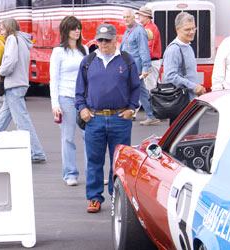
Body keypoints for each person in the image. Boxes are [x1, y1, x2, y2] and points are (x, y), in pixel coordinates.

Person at [75, 23, 140, 213]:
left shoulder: (127, 61)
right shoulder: (88, 62)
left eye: (107, 40)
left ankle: (116, 196)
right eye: (100, 40)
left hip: (120, 119)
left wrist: (131, 109)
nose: (103, 43)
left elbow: (136, 88)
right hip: (94, 119)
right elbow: (79, 91)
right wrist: (82, 109)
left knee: (118, 162)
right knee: (94, 160)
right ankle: (95, 198)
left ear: (115, 40)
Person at [0, 18, 46, 163]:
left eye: (2, 29)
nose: (0, 33)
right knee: (2, 119)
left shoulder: (11, 39)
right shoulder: (22, 41)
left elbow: (10, 61)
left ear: (8, 28)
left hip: (14, 85)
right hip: (19, 84)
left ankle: (37, 152)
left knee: (22, 121)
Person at [49, 16, 87, 186]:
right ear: (66, 31)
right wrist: (54, 104)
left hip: (84, 98)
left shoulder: (84, 49)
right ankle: (70, 174)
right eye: (73, 28)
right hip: (65, 97)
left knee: (90, 136)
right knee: (68, 137)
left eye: (78, 28)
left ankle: (92, 173)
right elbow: (54, 79)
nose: (77, 31)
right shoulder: (58, 52)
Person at [163, 12, 206, 125]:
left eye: (193, 28)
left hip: (190, 103)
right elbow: (170, 76)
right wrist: (194, 86)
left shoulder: (187, 46)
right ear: (178, 29)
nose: (191, 32)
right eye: (187, 29)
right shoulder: (174, 49)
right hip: (181, 106)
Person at [120, 9, 156, 126]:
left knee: (131, 90)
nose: (125, 19)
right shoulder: (128, 31)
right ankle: (151, 115)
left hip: (136, 68)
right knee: (141, 92)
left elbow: (143, 50)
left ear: (133, 17)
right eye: (124, 17)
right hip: (128, 67)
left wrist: (146, 67)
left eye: (127, 17)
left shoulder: (139, 31)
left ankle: (132, 114)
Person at [137, 6, 162, 94]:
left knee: (150, 90)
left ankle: (153, 107)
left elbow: (148, 50)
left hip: (151, 62)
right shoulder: (149, 27)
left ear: (146, 16)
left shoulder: (150, 29)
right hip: (152, 62)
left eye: (140, 15)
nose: (138, 17)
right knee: (153, 89)